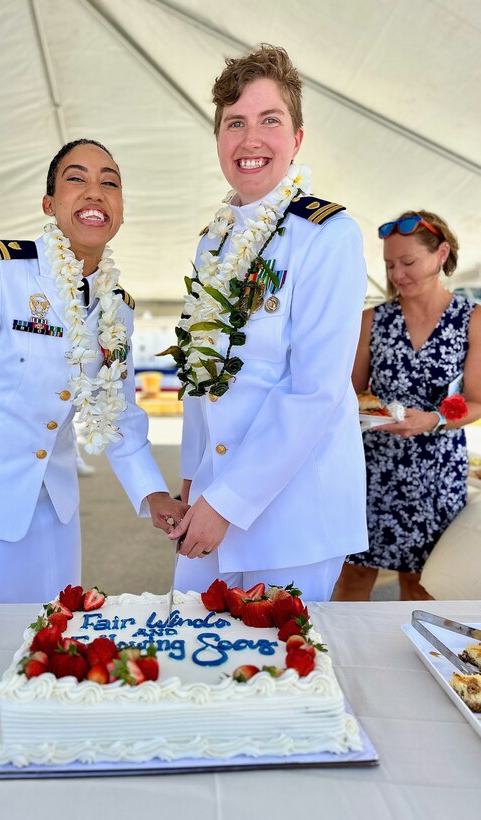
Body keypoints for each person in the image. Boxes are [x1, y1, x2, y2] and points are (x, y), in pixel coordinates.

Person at [0, 138, 187, 603]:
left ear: (121, 210)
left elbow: (116, 413)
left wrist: (152, 494)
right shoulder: (0, 270)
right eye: (77, 178)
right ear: (49, 203)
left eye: (109, 183)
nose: (95, 192)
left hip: (56, 518)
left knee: (50, 646)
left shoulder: (118, 308)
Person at [166, 45, 368, 601]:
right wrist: (193, 476)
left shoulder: (329, 234)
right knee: (195, 661)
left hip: (293, 515)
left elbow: (315, 390)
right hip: (211, 496)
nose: (250, 140)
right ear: (218, 140)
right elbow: (201, 372)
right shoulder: (214, 239)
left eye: (269, 121)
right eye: (235, 123)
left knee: (281, 676)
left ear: (297, 139)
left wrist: (227, 502)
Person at [334, 211, 481, 601]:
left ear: (441, 254)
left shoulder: (472, 320)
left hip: (436, 472)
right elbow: (350, 394)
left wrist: (432, 419)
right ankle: (336, 662)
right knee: (352, 579)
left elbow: (476, 401)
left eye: (408, 262)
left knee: (421, 588)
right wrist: (369, 415)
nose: (397, 274)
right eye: (389, 265)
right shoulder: (372, 320)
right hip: (373, 468)